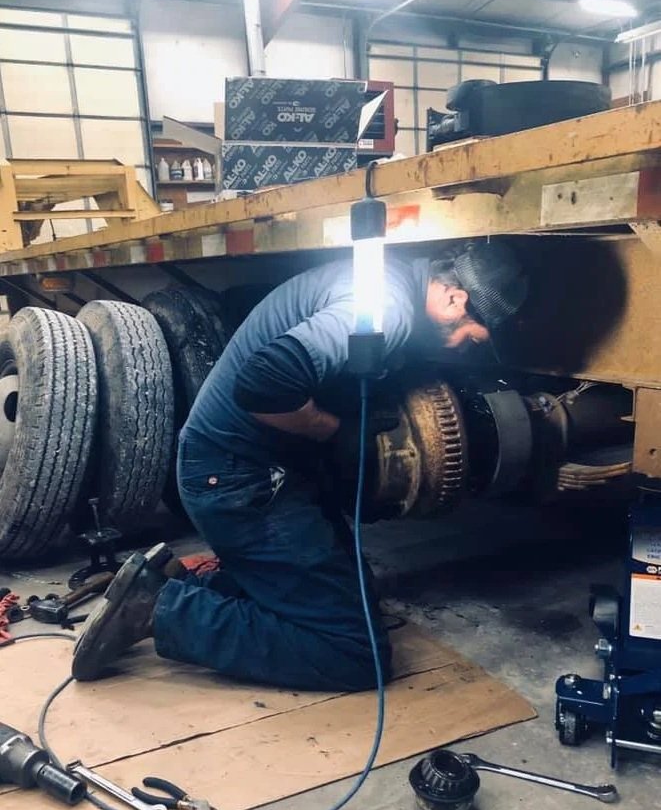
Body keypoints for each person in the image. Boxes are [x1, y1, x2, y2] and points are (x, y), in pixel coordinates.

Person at [72, 239, 528, 690]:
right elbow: (264, 384)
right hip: (237, 479)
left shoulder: (394, 276)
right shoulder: (386, 308)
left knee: (358, 601)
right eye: (474, 338)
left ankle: (189, 587)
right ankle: (159, 609)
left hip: (253, 469)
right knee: (353, 650)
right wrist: (336, 433)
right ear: (455, 298)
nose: (467, 349)